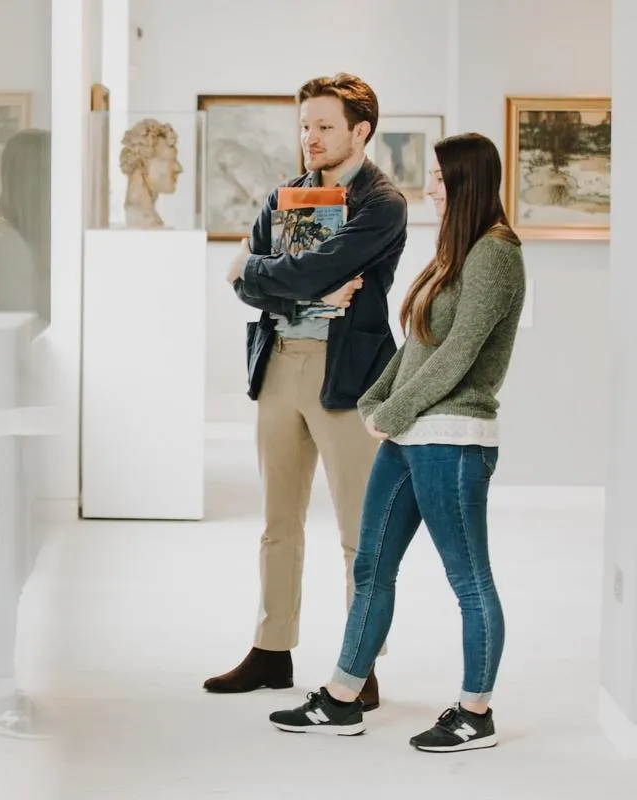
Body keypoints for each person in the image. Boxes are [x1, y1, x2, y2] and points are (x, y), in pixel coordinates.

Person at [268, 132, 526, 753]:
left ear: (467, 181)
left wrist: (393, 411)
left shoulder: (495, 254)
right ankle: (343, 697)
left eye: (439, 177)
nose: (430, 186)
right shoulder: (454, 253)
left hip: (454, 440)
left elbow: (460, 356)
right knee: (372, 565)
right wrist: (374, 401)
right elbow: (416, 344)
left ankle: (475, 713)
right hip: (410, 435)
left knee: (468, 579)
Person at [204, 73, 407, 711]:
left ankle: (359, 667)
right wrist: (295, 286)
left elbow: (294, 267)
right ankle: (271, 650)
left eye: (324, 126)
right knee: (278, 522)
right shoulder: (286, 194)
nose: (310, 137)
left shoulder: (383, 202)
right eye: (305, 125)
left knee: (358, 532)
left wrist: (263, 271)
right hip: (280, 365)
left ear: (360, 131)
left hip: (347, 376)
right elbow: (244, 287)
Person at [0, 128, 51, 738]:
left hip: (30, 419)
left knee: (22, 552)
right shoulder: (5, 244)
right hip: (18, 421)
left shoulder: (17, 241)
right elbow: (12, 349)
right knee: (9, 556)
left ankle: (3, 681)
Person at [119, 118, 183, 228]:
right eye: (169, 160)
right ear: (143, 164)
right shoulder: (138, 216)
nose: (178, 168)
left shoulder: (149, 217)